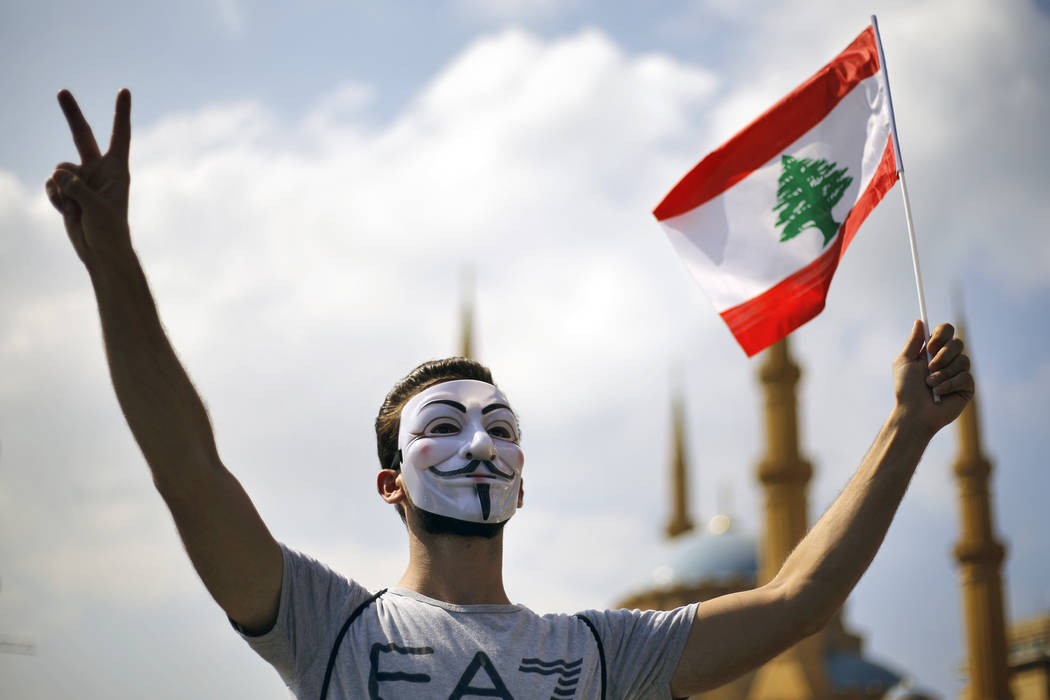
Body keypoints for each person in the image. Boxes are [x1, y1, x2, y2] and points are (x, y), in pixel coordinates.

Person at [46, 89, 974, 699]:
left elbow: (798, 600)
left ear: (525, 480)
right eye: (442, 427)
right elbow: (188, 469)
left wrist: (906, 427)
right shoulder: (325, 626)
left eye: (500, 428)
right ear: (390, 483)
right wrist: (115, 265)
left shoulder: (598, 656)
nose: (479, 445)